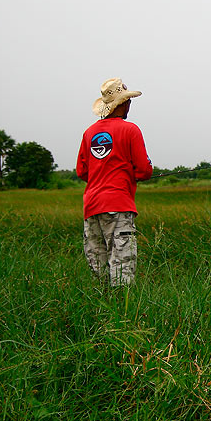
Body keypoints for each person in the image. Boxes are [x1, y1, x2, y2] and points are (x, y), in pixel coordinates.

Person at [77, 78, 153, 286]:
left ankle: (101, 310)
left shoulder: (89, 133)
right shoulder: (130, 130)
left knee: (98, 267)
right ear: (123, 103)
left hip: (91, 206)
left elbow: (82, 171)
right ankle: (123, 313)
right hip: (118, 205)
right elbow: (144, 170)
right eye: (128, 100)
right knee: (122, 266)